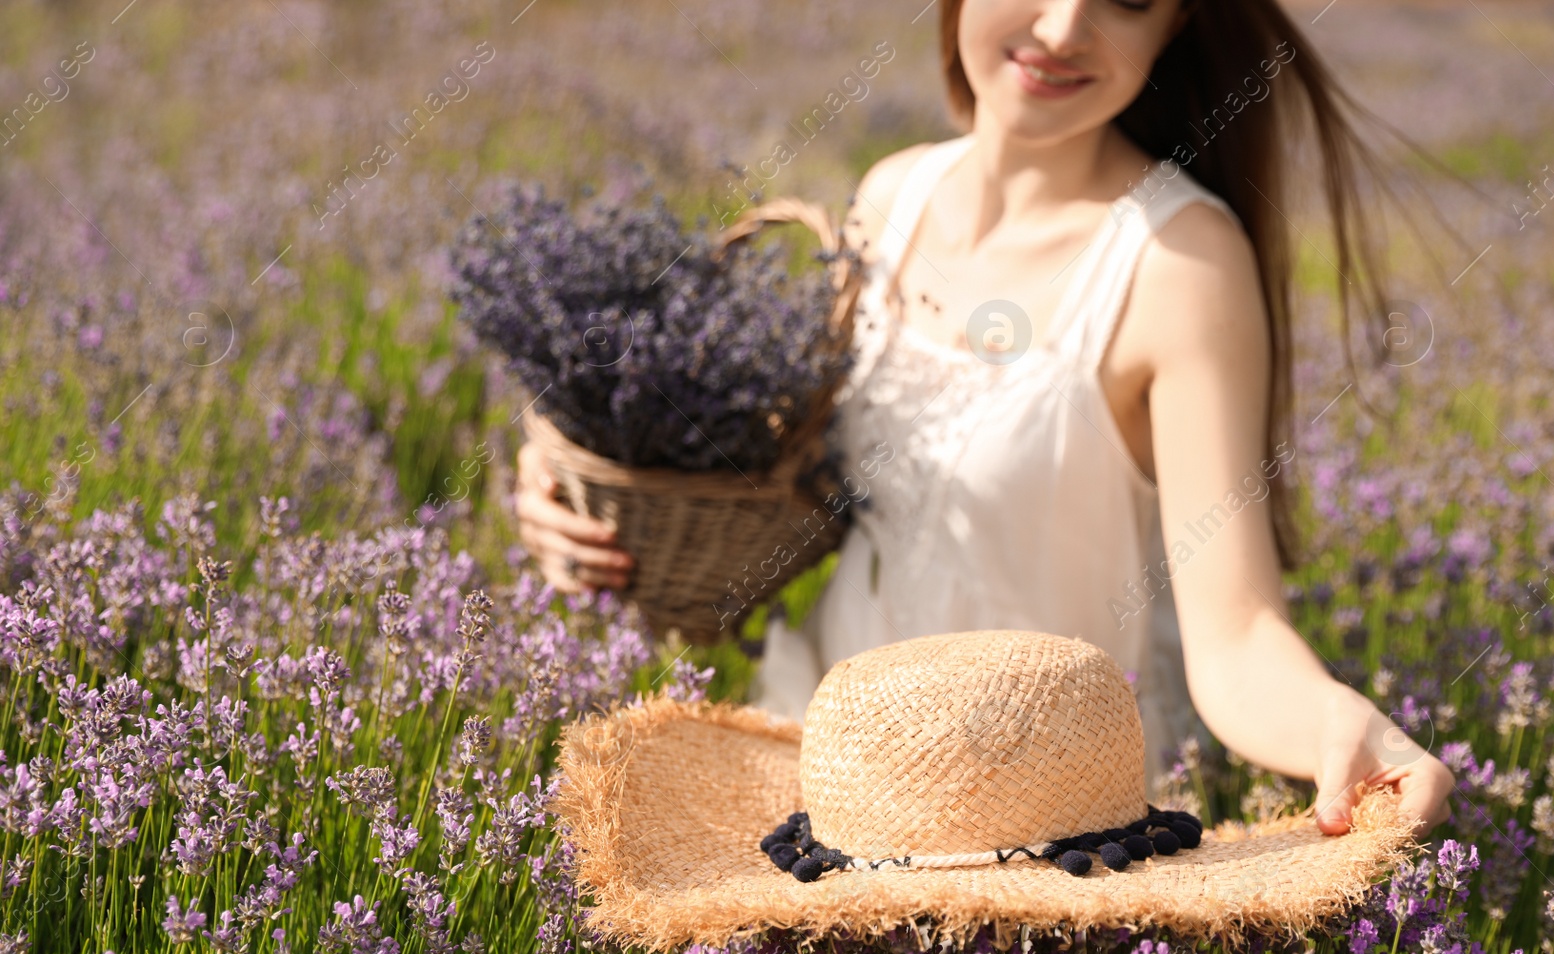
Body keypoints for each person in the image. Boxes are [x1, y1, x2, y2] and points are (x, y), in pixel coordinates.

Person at [514, 0, 1455, 837]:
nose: (1061, 26)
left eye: (1125, 1)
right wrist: (588, 477)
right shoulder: (891, 200)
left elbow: (1237, 631)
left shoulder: (1179, 266)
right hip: (835, 771)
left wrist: (1339, 719)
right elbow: (775, 477)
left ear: (1174, 23)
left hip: (1050, 812)